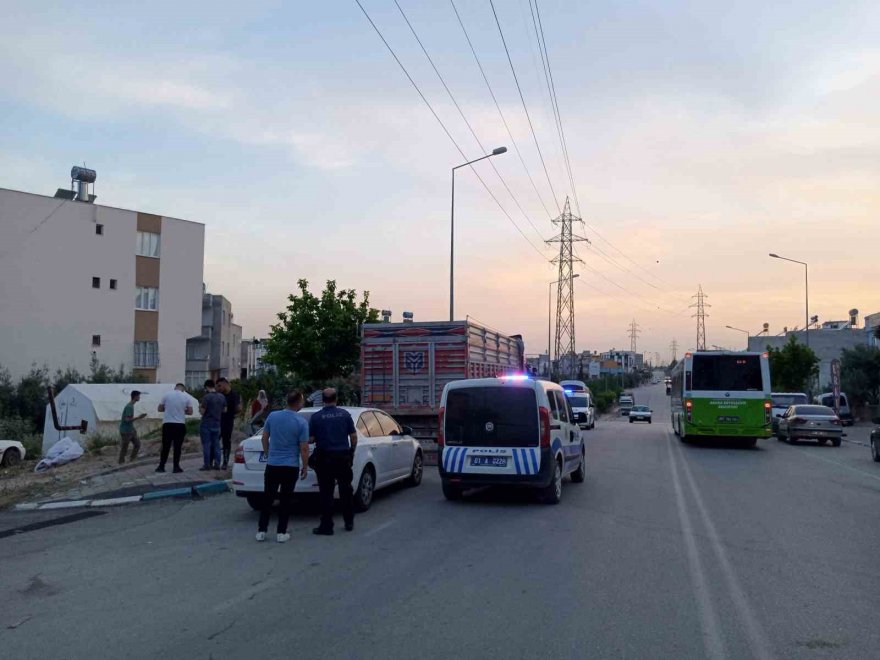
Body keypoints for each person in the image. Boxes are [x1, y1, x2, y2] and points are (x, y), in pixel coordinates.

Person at [256, 390, 310, 543]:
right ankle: (281, 532)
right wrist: (305, 466)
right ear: (298, 402)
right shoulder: (301, 422)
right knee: (285, 500)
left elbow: (265, 437)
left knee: (268, 498)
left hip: (273, 464)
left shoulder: (273, 416)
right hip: (290, 466)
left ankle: (261, 531)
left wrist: (268, 453)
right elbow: (304, 447)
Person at [309, 388, 357, 535]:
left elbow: (310, 439)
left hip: (324, 458)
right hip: (342, 456)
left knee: (326, 492)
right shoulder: (345, 414)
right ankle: (349, 521)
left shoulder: (316, 417)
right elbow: (353, 437)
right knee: (345, 490)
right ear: (336, 399)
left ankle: (327, 526)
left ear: (323, 400)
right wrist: (351, 452)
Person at [157, 383, 193, 473]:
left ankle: (161, 466)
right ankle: (176, 467)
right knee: (177, 447)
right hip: (180, 424)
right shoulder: (186, 397)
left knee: (165, 446)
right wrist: (182, 410)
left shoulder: (166, 395)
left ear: (175, 387)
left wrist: (168, 409)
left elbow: (160, 409)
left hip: (167, 424)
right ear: (183, 389)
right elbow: (190, 412)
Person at [199, 379, 226, 471]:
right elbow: (224, 410)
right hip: (217, 423)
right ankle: (217, 464)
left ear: (206, 387)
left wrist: (200, 407)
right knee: (217, 445)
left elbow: (202, 412)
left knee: (206, 445)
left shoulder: (206, 397)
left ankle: (207, 465)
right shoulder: (222, 397)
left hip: (206, 423)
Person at [217, 377, 242, 469]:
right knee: (215, 441)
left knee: (226, 442)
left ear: (225, 384)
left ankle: (225, 462)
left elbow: (239, 408)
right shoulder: (219, 395)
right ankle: (214, 462)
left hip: (227, 421)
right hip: (218, 421)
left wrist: (231, 414)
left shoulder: (233, 395)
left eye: (220, 386)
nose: (218, 388)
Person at [119, 390, 147, 464]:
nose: (139, 397)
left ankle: (131, 459)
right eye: (138, 396)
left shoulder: (131, 406)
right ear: (135, 397)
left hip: (130, 430)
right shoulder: (129, 407)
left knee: (137, 444)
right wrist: (138, 417)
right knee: (125, 447)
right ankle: (121, 462)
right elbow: (127, 420)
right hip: (126, 430)